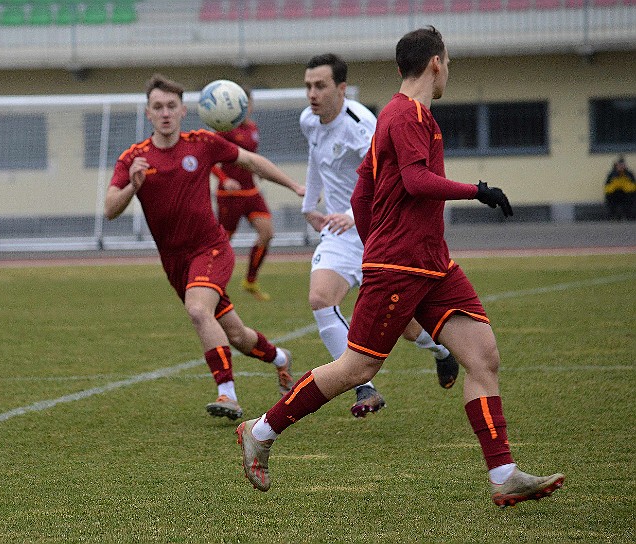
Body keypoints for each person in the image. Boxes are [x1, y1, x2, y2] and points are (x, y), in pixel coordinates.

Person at [236, 28, 565, 508]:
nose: (447, 71)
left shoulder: (393, 115)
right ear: (436, 63)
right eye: (447, 63)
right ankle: (260, 433)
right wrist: (477, 192)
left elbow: (360, 195)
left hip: (431, 263)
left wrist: (376, 245)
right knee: (357, 367)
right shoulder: (407, 114)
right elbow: (415, 180)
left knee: (482, 356)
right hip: (402, 265)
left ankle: (503, 473)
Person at [105, 74, 306, 421]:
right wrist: (132, 187)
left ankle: (227, 394)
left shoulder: (202, 143)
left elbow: (251, 161)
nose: (165, 112)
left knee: (198, 310)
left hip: (211, 249)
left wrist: (293, 186)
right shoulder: (134, 159)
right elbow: (110, 209)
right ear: (148, 113)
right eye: (158, 107)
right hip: (175, 263)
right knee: (238, 335)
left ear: (184, 111)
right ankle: (280, 359)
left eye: (171, 106)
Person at [300, 53, 459, 419]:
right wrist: (310, 205)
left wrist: (352, 215)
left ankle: (440, 350)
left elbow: (386, 179)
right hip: (340, 233)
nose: (312, 93)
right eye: (308, 86)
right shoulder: (309, 120)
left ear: (341, 89)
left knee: (403, 323)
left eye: (320, 85)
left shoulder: (362, 124)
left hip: (375, 229)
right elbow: (315, 160)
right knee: (321, 298)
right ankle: (363, 386)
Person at [212, 88, 275, 301]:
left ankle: (250, 281)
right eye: (241, 104)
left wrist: (261, 171)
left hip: (251, 191)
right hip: (229, 195)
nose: (246, 108)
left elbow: (252, 158)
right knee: (223, 242)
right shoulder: (225, 129)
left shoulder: (253, 128)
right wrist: (224, 179)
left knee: (267, 233)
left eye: (248, 103)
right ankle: (212, 283)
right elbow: (209, 159)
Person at [604, 156, 636, 220]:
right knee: (610, 199)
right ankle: (613, 216)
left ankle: (628, 216)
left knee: (630, 198)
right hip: (614, 193)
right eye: (619, 165)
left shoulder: (629, 174)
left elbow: (633, 186)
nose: (621, 167)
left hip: (626, 193)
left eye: (622, 165)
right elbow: (607, 187)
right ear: (616, 166)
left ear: (625, 166)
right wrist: (615, 187)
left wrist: (625, 187)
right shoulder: (612, 174)